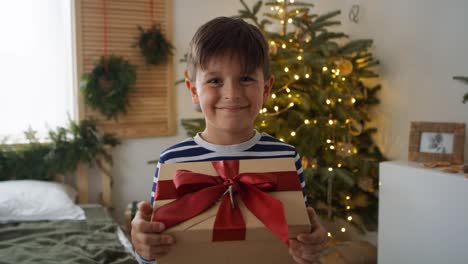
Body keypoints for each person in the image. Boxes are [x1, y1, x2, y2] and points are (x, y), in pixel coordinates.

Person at [131, 16, 328, 264]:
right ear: (193, 90)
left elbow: (300, 233)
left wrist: (311, 247)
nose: (232, 94)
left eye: (246, 78)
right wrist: (143, 248)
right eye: (215, 81)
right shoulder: (173, 161)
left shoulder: (286, 158)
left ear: (266, 89)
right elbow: (157, 248)